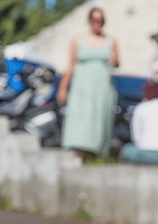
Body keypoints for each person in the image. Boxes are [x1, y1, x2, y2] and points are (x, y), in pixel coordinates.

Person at [57, 7, 119, 160]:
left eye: (100, 20)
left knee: (99, 120)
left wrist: (114, 61)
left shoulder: (111, 40)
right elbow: (70, 65)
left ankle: (97, 157)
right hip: (82, 86)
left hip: (102, 87)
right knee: (79, 118)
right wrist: (63, 87)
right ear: (89, 21)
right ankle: (78, 156)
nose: (97, 23)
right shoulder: (78, 39)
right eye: (95, 20)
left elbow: (118, 62)